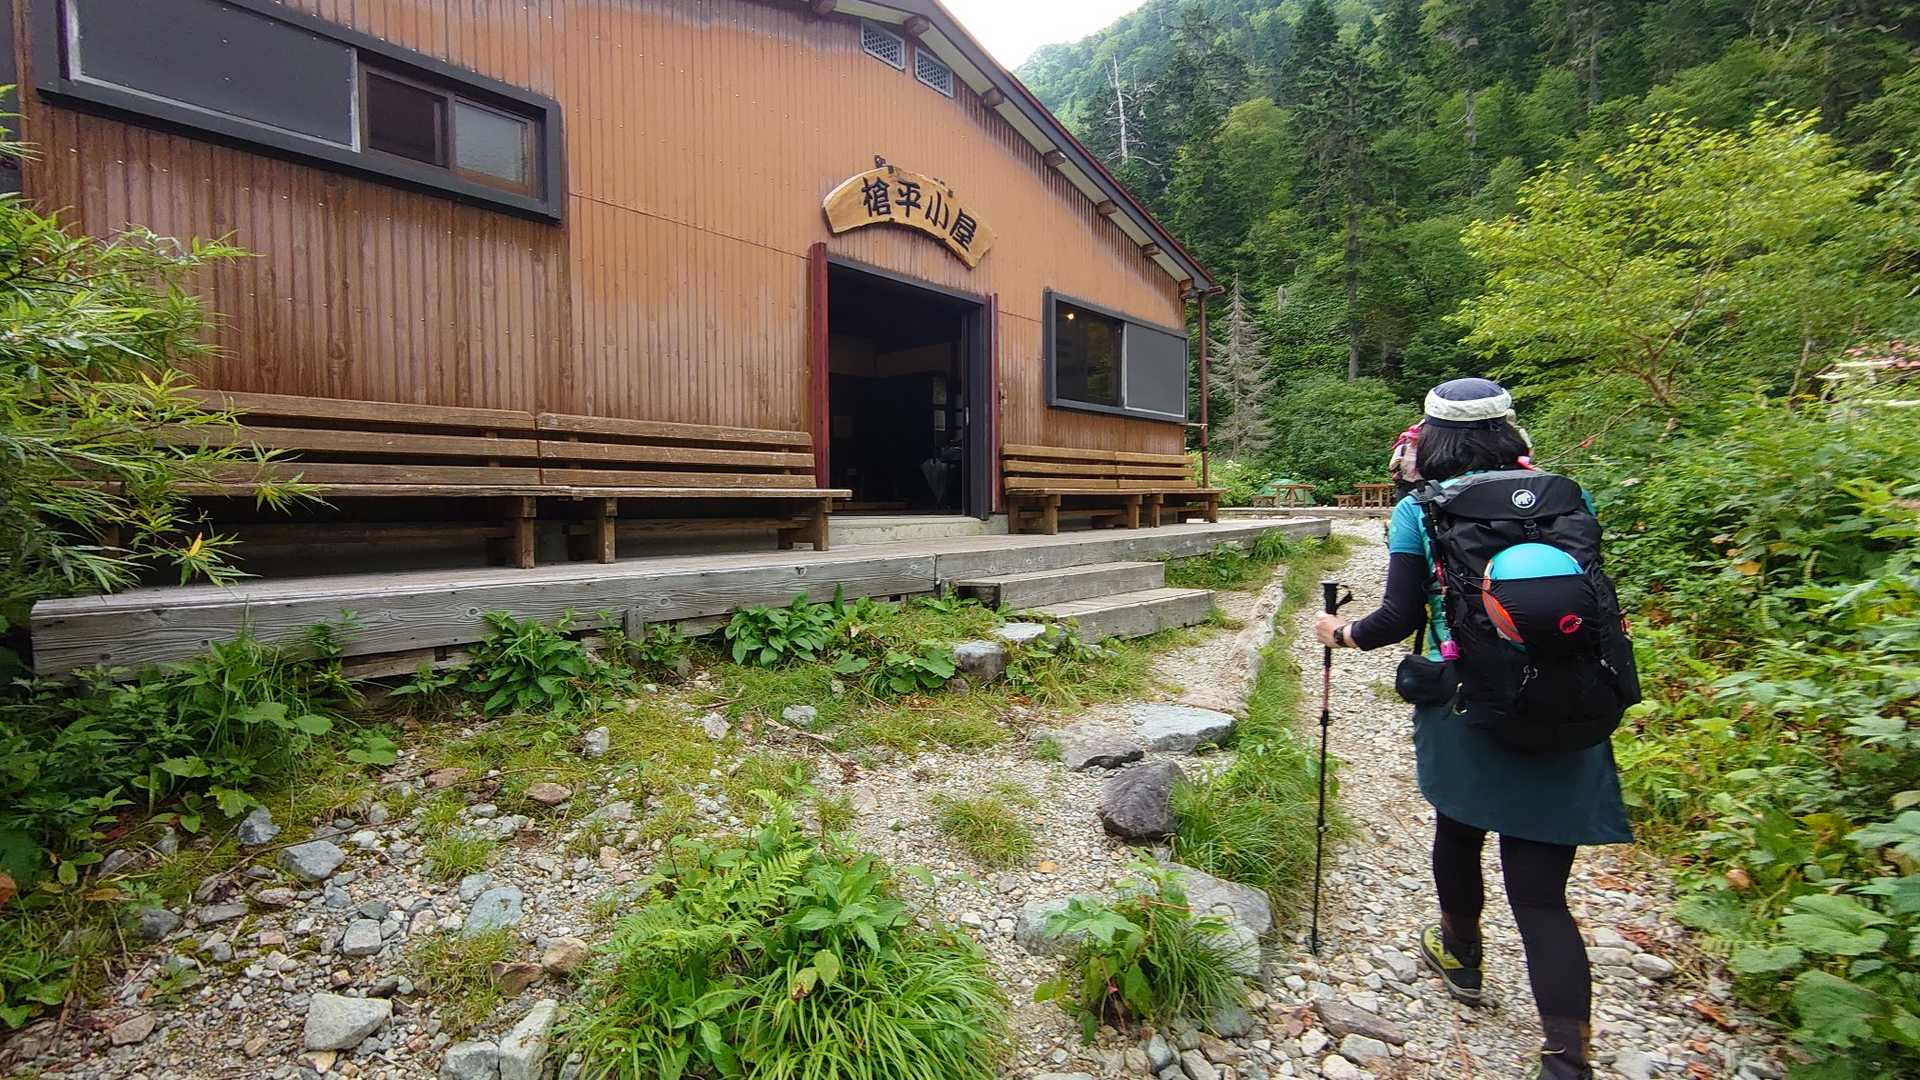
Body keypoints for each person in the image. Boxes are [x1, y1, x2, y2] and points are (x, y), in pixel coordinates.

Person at [1313, 377, 1631, 1080]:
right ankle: (1568, 1060)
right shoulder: (1569, 496)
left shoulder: (1421, 509)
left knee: (1458, 830)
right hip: (1569, 699)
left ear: (1430, 436)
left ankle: (1461, 956)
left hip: (1465, 701)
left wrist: (1339, 632)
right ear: (1510, 430)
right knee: (1542, 896)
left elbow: (1397, 618)